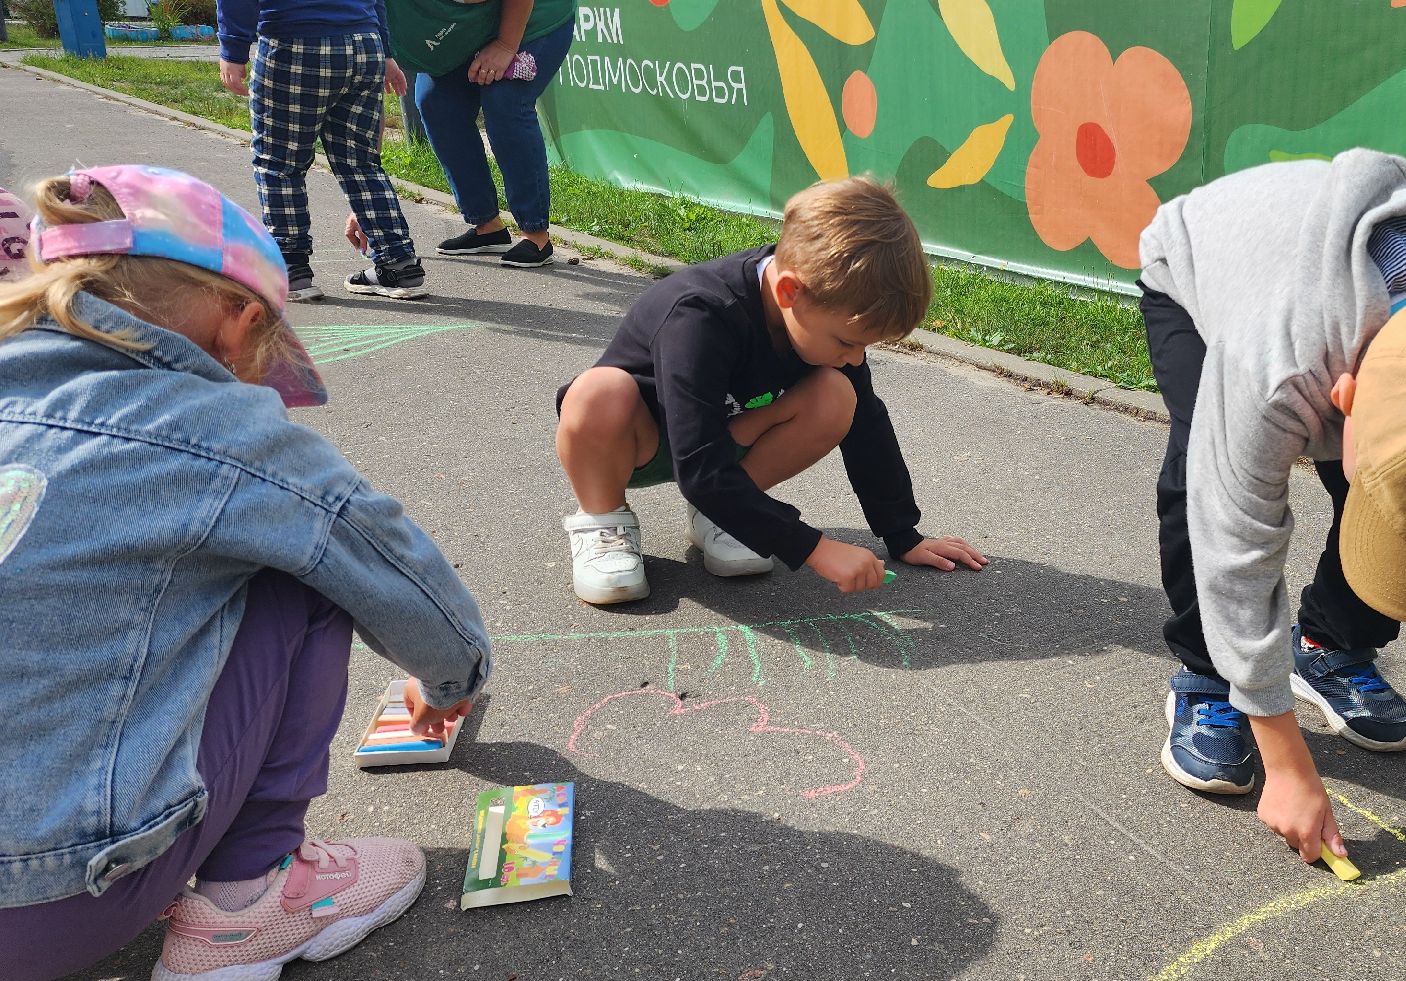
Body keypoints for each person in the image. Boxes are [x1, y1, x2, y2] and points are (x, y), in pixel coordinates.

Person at [0, 166, 491, 981]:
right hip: (52, 906)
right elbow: (386, 561)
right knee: (296, 570)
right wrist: (454, 677)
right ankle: (248, 902)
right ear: (240, 318)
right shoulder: (219, 427)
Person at [1136, 149, 1406, 862]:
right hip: (1196, 266)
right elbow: (1234, 540)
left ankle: (1329, 644)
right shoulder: (1278, 360)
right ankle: (1204, 675)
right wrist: (1284, 760)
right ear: (1341, 406)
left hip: (1341, 310)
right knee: (1196, 479)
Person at [553, 176, 987, 604]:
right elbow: (699, 466)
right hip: (635, 444)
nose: (856, 357)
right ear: (789, 291)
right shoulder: (700, 315)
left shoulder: (818, 310)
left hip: (723, 445)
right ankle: (603, 519)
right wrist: (813, 548)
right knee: (598, 392)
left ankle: (724, 516)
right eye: (847, 342)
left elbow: (867, 425)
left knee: (839, 396)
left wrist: (901, 534)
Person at [216, 0, 429, 300]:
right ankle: (398, 263)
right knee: (360, 162)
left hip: (295, 39)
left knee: (280, 163)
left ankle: (291, 269)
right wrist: (384, 49)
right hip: (363, 42)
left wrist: (233, 49)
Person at [388, 0, 577, 268]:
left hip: (534, 19)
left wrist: (505, 46)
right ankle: (488, 227)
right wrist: (363, 196)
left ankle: (535, 234)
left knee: (504, 100)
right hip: (467, 30)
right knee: (436, 102)